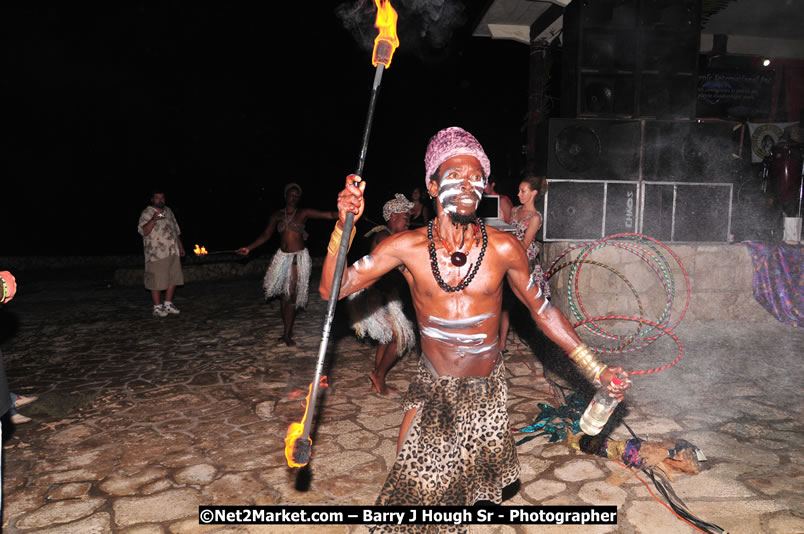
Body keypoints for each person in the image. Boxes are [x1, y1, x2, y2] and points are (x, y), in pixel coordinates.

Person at [320, 127, 631, 516]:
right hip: (434, 385)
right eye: (455, 175)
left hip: (485, 391)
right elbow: (332, 287)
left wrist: (595, 368)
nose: (468, 185)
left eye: (476, 178)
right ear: (432, 187)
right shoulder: (406, 247)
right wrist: (341, 226)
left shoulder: (504, 248)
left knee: (464, 493)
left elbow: (543, 310)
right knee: (415, 494)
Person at [236, 183, 337, 347]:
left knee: (290, 296)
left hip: (298, 258)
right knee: (284, 297)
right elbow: (266, 235)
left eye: (297, 195)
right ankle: (287, 330)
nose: (294, 197)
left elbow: (329, 214)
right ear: (285, 196)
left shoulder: (303, 213)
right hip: (282, 258)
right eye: (291, 194)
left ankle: (286, 334)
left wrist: (348, 212)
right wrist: (249, 248)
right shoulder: (277, 215)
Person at [348, 194, 417, 395]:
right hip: (380, 296)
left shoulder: (389, 236)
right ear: (394, 216)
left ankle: (378, 380)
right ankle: (378, 375)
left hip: (385, 295)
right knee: (400, 336)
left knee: (387, 338)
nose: (408, 220)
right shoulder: (384, 237)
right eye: (405, 216)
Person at [500, 174, 551, 352]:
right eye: (519, 190)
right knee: (505, 304)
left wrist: (508, 244)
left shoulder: (535, 218)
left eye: (523, 191)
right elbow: (504, 234)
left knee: (534, 306)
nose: (518, 194)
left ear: (533, 193)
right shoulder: (514, 211)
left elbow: (524, 244)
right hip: (509, 263)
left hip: (526, 265)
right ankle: (501, 344)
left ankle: (543, 342)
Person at [137, 190, 186, 317]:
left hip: (172, 250)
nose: (160, 200)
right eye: (157, 198)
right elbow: (144, 231)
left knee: (173, 277)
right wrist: (153, 219)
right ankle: (157, 307)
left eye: (162, 198)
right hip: (156, 253)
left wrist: (180, 246)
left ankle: (168, 304)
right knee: (156, 280)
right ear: (152, 199)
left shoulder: (169, 211)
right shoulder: (147, 212)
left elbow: (176, 230)